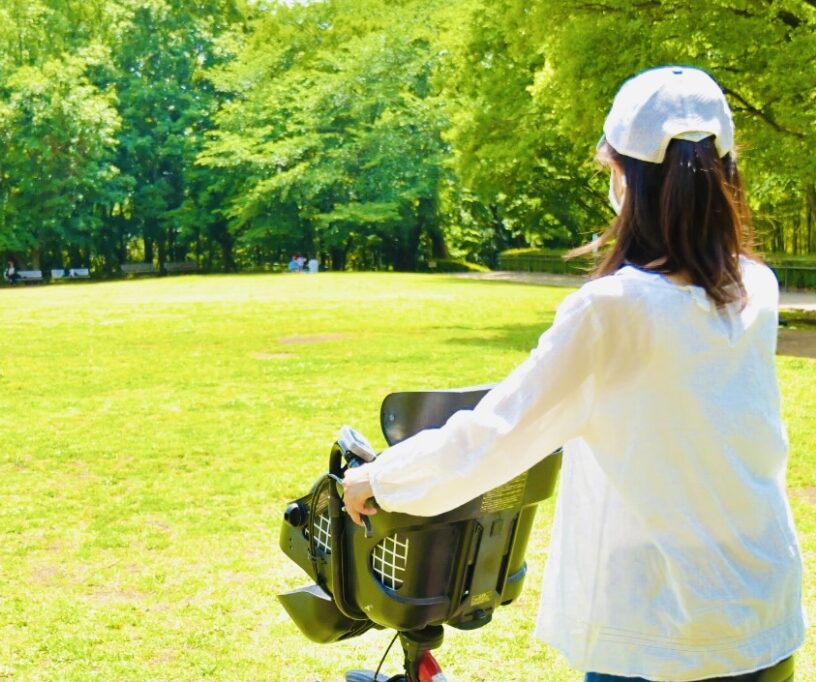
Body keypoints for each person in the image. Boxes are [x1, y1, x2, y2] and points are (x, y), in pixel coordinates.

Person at [343, 67, 803, 682]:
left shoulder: (613, 312)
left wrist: (381, 477)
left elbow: (495, 436)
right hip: (761, 616)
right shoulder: (755, 288)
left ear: (627, 176)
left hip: (665, 634)